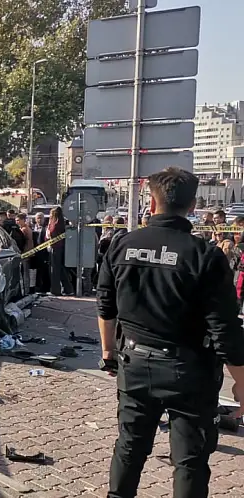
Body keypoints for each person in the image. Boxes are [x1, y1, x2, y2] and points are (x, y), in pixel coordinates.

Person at [97, 167, 244, 498]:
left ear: (152, 202)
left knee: (129, 448)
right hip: (188, 372)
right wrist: (242, 381)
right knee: (189, 460)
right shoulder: (204, 255)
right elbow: (225, 329)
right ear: (192, 205)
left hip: (134, 363)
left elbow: (105, 307)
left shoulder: (122, 245)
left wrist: (109, 353)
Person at [47, 206, 74, 296]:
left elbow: (53, 233)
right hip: (54, 246)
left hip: (57, 247)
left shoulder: (58, 223)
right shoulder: (53, 222)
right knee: (60, 269)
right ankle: (68, 288)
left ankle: (56, 290)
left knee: (55, 269)